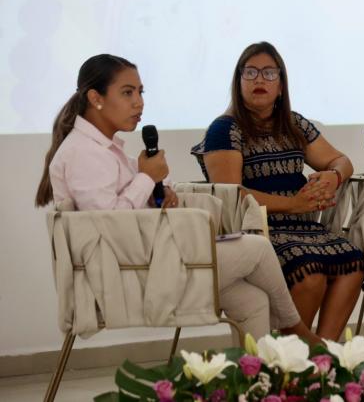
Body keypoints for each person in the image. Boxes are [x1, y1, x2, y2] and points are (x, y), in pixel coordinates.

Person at [35, 54, 319, 345]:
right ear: (96, 98)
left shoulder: (104, 150)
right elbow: (112, 226)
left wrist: (159, 188)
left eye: (140, 92)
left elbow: (141, 191)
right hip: (133, 277)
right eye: (127, 92)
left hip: (149, 263)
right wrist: (146, 178)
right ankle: (298, 334)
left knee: (253, 300)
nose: (139, 102)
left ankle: (257, 385)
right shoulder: (84, 154)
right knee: (257, 248)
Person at [191, 42, 364, 341]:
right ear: (239, 81)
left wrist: (333, 177)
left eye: (269, 73)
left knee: (353, 263)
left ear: (281, 85)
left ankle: (321, 358)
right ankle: (292, 360)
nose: (260, 80)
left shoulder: (293, 123)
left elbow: (342, 160)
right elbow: (231, 195)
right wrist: (292, 204)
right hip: (256, 232)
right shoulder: (225, 129)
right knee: (310, 272)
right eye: (252, 72)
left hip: (303, 226)